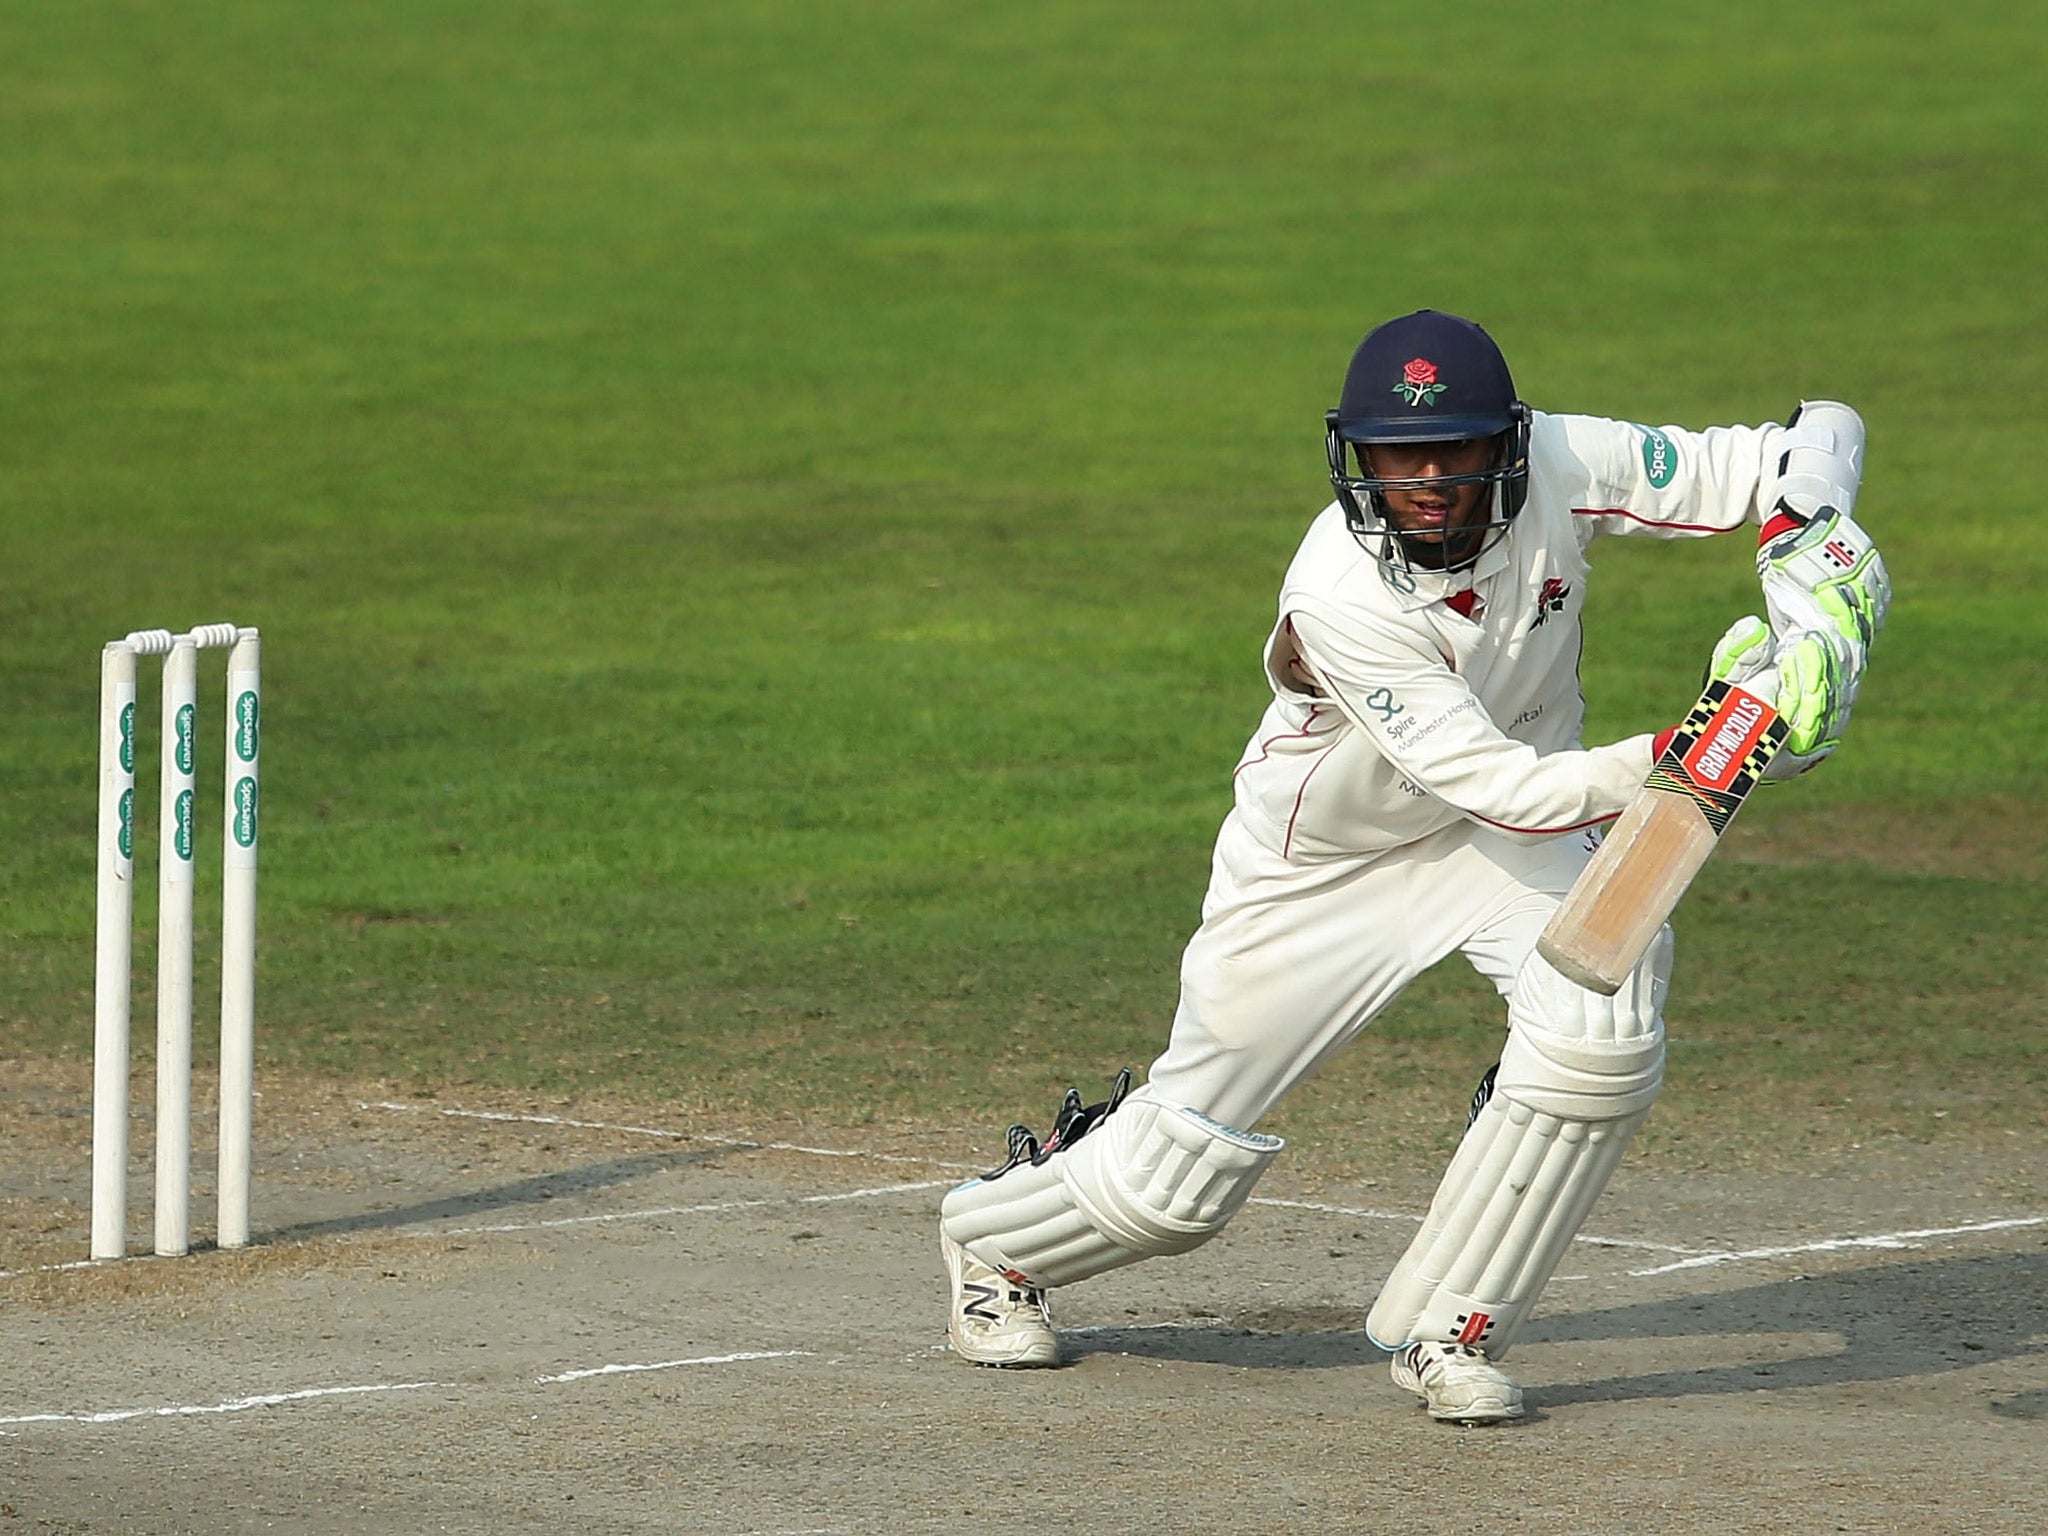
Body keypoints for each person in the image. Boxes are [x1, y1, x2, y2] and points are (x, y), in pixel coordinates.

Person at [937, 310, 1890, 1423]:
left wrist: (1804, 537)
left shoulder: (1566, 460)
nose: (1427, 479)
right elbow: (1493, 782)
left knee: (1602, 1033)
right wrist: (1708, 742)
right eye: (1397, 454)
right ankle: (994, 1240)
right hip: (1325, 867)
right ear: (1358, 457)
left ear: (1509, 440)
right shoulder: (1338, 594)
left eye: (1455, 449)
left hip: (1514, 840)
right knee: (1174, 1192)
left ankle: (1450, 1333)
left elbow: (1804, 436)